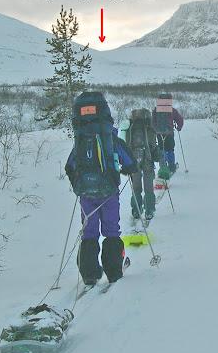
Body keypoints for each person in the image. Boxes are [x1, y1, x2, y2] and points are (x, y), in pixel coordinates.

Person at [64, 91, 137, 285]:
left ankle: (89, 273)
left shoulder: (79, 140)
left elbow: (69, 166)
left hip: (86, 194)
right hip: (109, 191)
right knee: (111, 229)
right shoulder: (110, 138)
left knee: (89, 232)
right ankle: (113, 270)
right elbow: (130, 162)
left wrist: (78, 185)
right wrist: (127, 170)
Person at [125, 108, 160, 224]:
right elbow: (152, 145)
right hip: (147, 160)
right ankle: (149, 210)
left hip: (133, 161)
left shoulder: (130, 128)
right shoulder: (149, 128)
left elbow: (126, 144)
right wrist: (157, 156)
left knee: (136, 187)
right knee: (148, 187)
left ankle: (136, 210)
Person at [152, 93, 184, 176]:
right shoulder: (172, 110)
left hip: (159, 134)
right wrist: (179, 127)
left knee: (162, 149)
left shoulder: (155, 110)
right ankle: (171, 166)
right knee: (170, 149)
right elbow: (180, 119)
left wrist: (155, 130)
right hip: (169, 134)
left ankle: (163, 166)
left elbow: (152, 123)